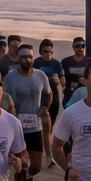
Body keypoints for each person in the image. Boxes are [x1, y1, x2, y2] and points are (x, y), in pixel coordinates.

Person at [3, 45, 51, 181]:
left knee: (36, 166)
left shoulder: (40, 76)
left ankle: (30, 177)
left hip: (35, 127)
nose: (28, 60)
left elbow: (49, 93)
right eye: (24, 57)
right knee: (20, 166)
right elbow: (5, 99)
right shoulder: (10, 78)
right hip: (17, 129)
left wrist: (45, 107)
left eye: (30, 57)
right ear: (18, 58)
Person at [35, 39, 64, 167]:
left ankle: (46, 146)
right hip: (41, 97)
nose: (48, 54)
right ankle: (48, 156)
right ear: (41, 52)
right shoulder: (36, 63)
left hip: (54, 97)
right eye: (45, 51)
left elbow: (63, 81)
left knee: (50, 127)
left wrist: (59, 81)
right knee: (43, 126)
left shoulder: (57, 64)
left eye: (50, 52)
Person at [61, 37, 89, 102]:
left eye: (82, 46)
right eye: (77, 46)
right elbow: (63, 78)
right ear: (73, 47)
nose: (80, 48)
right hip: (69, 96)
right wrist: (78, 79)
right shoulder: (66, 62)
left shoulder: (89, 62)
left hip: (85, 96)